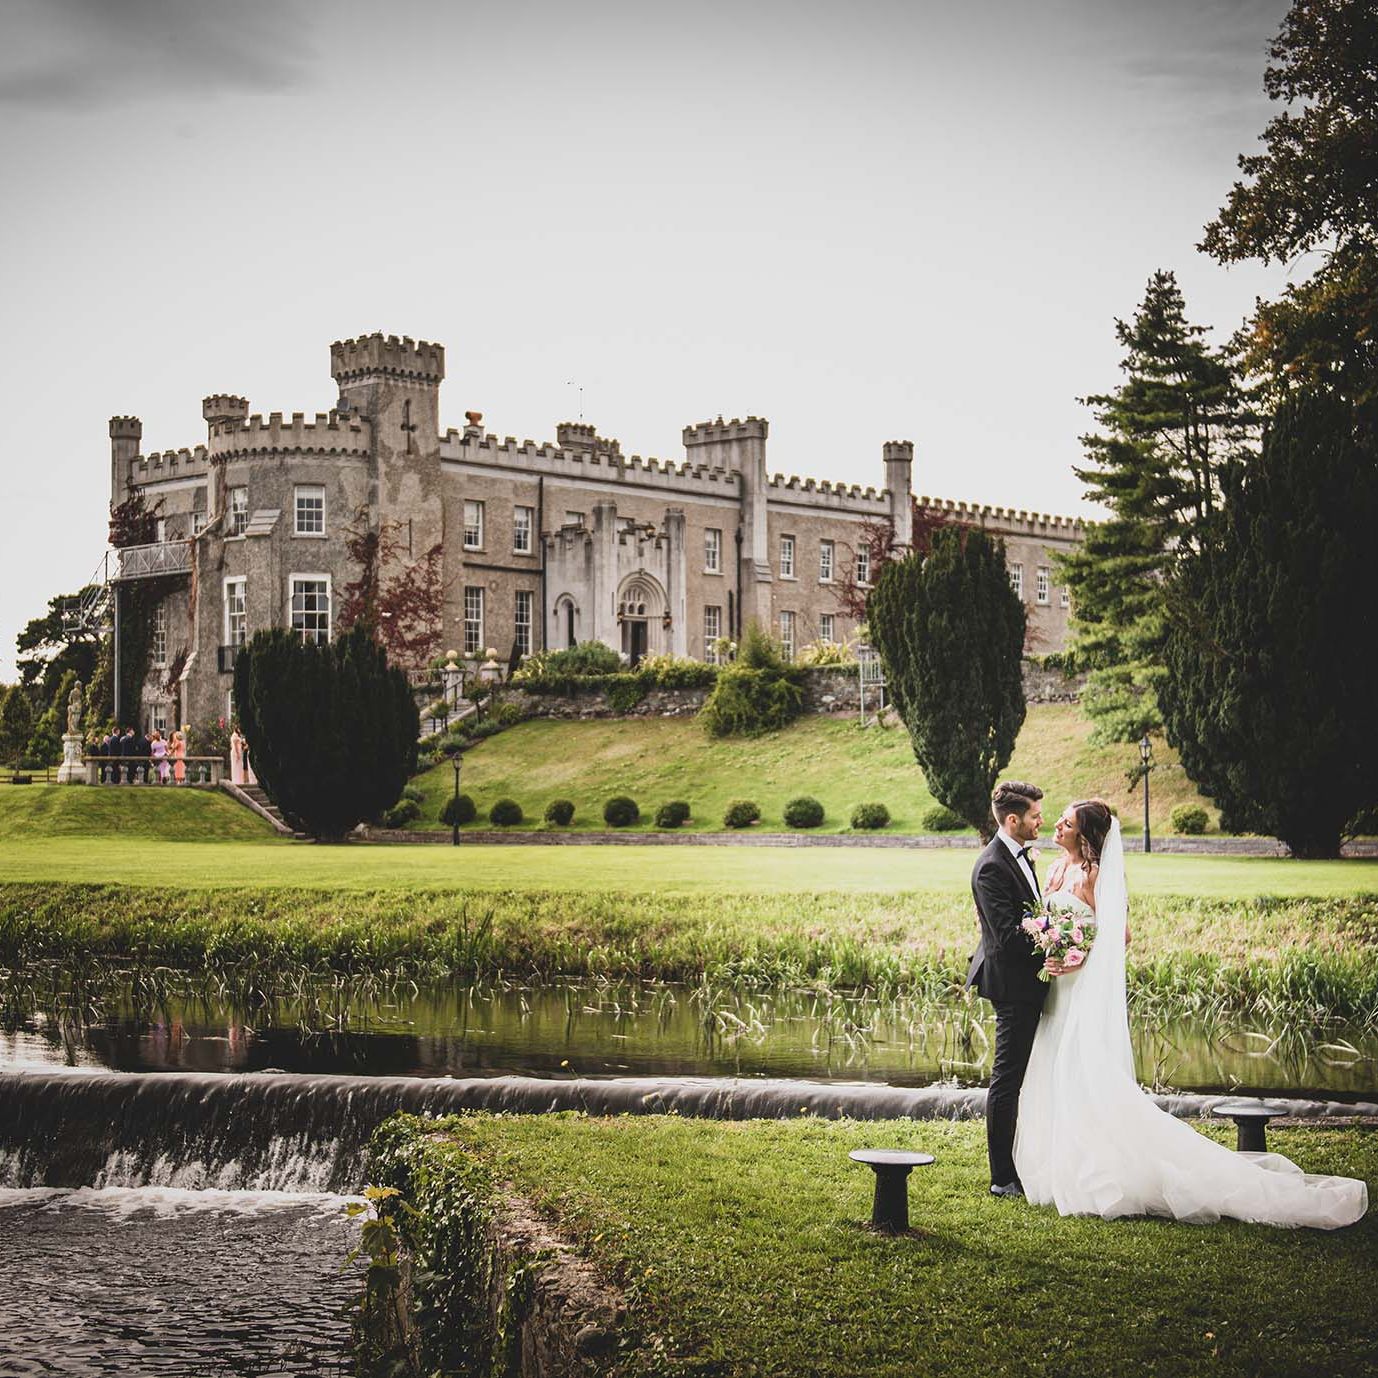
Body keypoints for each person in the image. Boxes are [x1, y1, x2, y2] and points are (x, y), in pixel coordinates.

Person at [1015, 799, 1367, 1228]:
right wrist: (1049, 945)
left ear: (1084, 835)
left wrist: (1075, 957)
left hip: (1080, 989)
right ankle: (1060, 1168)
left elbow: (1118, 936)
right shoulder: (1054, 869)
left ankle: (1100, 1175)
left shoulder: (1095, 876)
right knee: (1054, 1070)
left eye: (1066, 822)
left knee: (1083, 1074)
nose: (1056, 825)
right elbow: (1048, 923)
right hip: (1056, 992)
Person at [966, 780, 1047, 1197]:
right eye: (1035, 815)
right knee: (1007, 1079)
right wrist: (1055, 939)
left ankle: (1024, 1162)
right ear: (1013, 820)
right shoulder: (991, 867)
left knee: (1019, 1075)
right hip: (1012, 985)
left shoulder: (1020, 855)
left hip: (1029, 982)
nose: (1041, 821)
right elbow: (1009, 938)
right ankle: (1002, 1177)